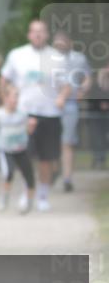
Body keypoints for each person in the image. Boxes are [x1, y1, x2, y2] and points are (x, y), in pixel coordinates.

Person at [0, 20, 70, 212]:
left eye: (42, 32)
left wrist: (62, 98)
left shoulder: (57, 57)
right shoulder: (17, 55)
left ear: (47, 34)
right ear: (29, 34)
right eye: (34, 31)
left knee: (47, 159)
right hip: (24, 114)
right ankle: (27, 192)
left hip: (49, 114)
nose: (38, 35)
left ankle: (43, 195)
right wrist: (6, 100)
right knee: (25, 157)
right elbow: (4, 79)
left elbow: (66, 85)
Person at [0, 83, 37, 212]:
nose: (16, 100)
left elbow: (28, 131)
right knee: (8, 173)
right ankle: (4, 197)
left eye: (17, 96)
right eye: (13, 96)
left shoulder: (23, 114)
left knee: (29, 176)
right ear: (5, 98)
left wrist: (31, 127)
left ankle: (28, 202)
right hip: (5, 150)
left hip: (21, 149)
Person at [51, 30, 90, 192]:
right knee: (52, 143)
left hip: (70, 104)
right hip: (50, 105)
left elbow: (87, 77)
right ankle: (54, 171)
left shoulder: (78, 58)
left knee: (67, 142)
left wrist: (83, 90)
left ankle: (67, 177)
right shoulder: (47, 58)